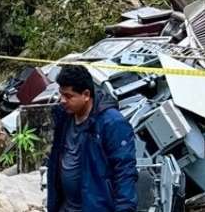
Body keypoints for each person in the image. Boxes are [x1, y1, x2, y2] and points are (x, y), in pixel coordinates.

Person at [45, 64, 138, 212]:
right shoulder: (64, 117)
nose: (62, 100)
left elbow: (124, 171)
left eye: (68, 96)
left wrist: (125, 208)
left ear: (86, 95)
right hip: (65, 207)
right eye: (61, 94)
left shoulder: (111, 123)